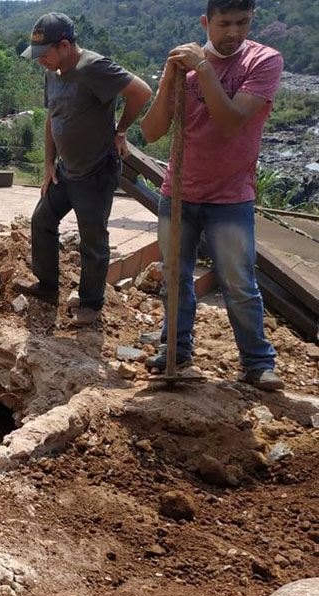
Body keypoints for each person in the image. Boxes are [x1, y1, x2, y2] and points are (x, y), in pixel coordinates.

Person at [140, 0, 283, 390]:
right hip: (179, 190)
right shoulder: (183, 65)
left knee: (238, 282)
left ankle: (257, 362)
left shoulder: (263, 61)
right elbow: (151, 133)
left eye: (242, 22)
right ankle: (175, 349)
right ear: (206, 22)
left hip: (231, 196)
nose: (233, 32)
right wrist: (170, 80)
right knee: (174, 278)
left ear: (252, 19)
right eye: (224, 24)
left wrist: (203, 69)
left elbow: (231, 122)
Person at [15, 12, 151, 326]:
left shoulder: (93, 67)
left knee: (92, 240)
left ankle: (91, 304)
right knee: (42, 220)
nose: (40, 61)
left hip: (95, 172)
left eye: (44, 54)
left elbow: (141, 91)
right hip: (66, 170)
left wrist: (121, 131)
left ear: (64, 45)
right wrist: (48, 163)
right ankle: (48, 286)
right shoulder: (53, 72)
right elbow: (52, 117)